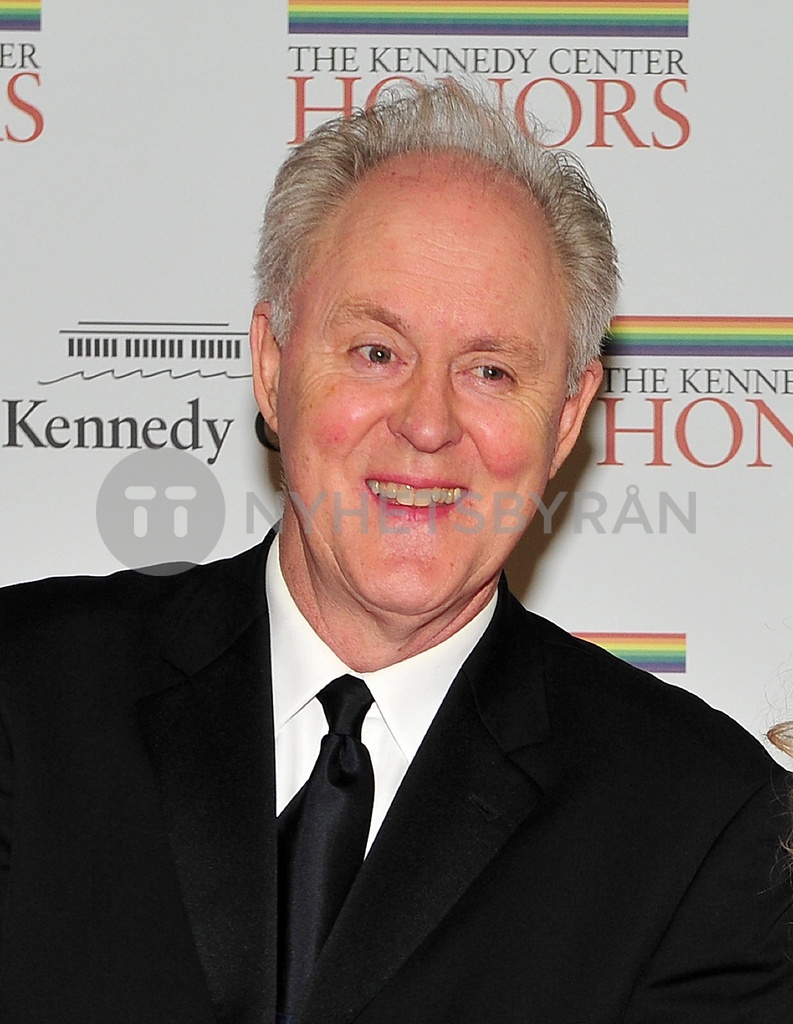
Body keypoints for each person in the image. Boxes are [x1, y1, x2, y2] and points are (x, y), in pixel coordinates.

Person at [0, 81, 790, 1023]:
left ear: (569, 415)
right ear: (273, 366)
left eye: (490, 371)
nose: (426, 423)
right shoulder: (26, 695)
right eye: (376, 352)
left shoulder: (699, 823)